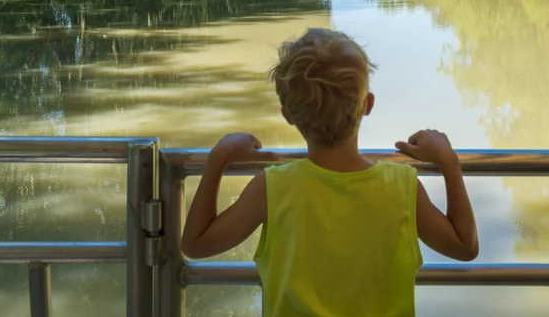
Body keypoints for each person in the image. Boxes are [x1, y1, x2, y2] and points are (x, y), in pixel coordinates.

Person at [180, 28, 479, 316]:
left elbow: (196, 244)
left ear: (287, 114)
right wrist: (448, 162)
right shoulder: (403, 187)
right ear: (367, 105)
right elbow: (465, 247)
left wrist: (219, 158)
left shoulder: (272, 188)